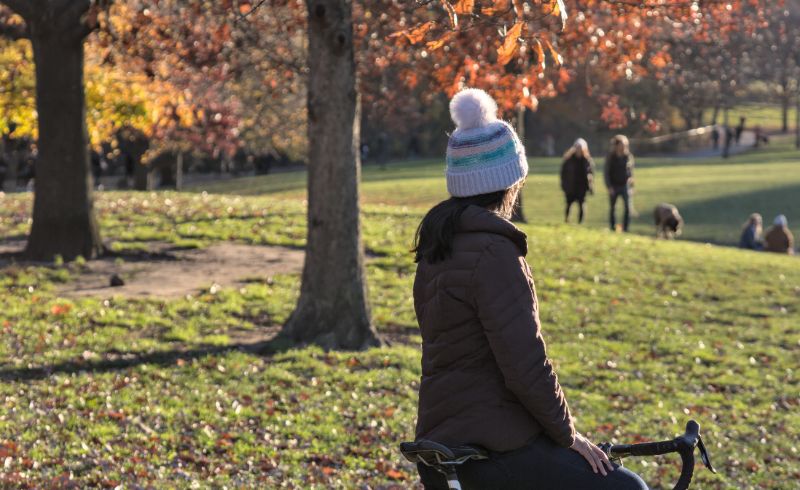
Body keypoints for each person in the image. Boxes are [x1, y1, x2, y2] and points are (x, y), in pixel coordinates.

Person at [412, 88, 648, 490]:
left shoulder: (439, 247)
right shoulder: (494, 253)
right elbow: (525, 366)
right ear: (509, 181)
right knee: (628, 488)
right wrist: (569, 435)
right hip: (491, 448)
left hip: (441, 438)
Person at [560, 138, 595, 223]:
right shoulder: (568, 160)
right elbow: (563, 173)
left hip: (582, 186)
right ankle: (566, 220)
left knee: (581, 204)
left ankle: (580, 223)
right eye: (577, 147)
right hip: (571, 186)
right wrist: (564, 185)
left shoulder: (587, 160)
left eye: (581, 148)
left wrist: (590, 186)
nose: (579, 149)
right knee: (569, 204)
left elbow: (591, 173)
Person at [604, 135, 634, 232]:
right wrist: (609, 186)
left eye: (625, 145)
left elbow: (630, 171)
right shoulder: (611, 157)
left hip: (625, 185)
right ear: (616, 145)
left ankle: (625, 228)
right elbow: (606, 172)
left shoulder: (628, 156)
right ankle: (613, 227)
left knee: (627, 208)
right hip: (614, 185)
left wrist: (631, 181)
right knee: (613, 208)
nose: (623, 147)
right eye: (621, 145)